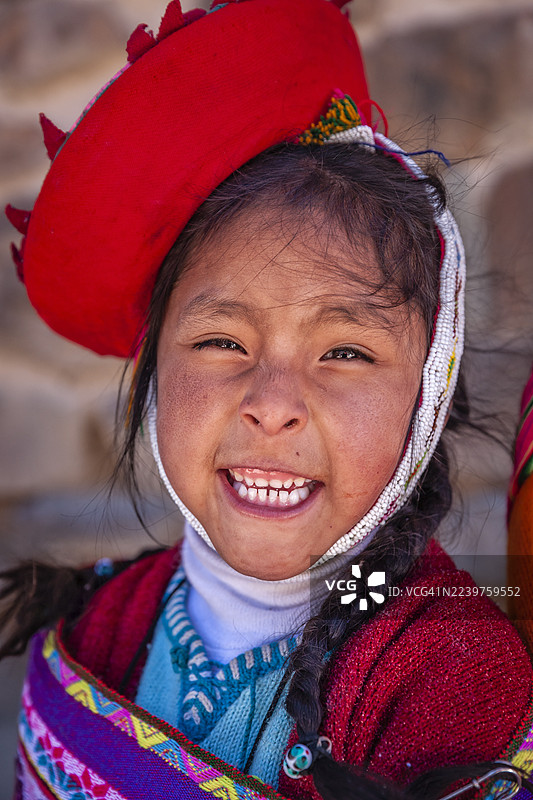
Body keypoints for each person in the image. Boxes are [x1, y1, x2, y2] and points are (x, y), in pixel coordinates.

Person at [3, 0, 533, 798]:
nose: (272, 403)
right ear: (151, 375)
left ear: (424, 401)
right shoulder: (101, 620)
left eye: (345, 352)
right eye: (222, 342)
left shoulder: (448, 670)